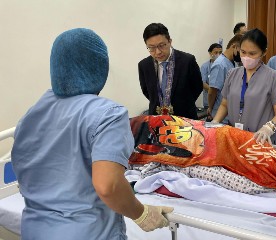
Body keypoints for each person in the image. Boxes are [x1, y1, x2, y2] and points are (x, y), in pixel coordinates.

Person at [11, 28, 173, 240]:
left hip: (35, 230)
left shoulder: (34, 113)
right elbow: (108, 186)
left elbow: (24, 175)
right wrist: (141, 213)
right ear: (99, 66)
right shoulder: (108, 114)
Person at [212, 28, 276, 144]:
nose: (246, 57)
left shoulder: (274, 77)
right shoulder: (233, 74)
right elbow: (224, 104)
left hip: (259, 139)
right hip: (234, 136)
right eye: (243, 52)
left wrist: (268, 127)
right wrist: (215, 121)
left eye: (252, 53)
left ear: (264, 52)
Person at [138, 23, 203, 119]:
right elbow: (147, 92)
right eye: (151, 48)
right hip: (157, 121)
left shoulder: (187, 61)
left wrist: (183, 104)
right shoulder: (144, 65)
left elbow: (197, 87)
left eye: (162, 45)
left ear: (170, 41)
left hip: (185, 119)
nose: (158, 52)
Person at [207, 35, 243, 121]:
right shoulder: (220, 64)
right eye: (241, 51)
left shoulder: (233, 63)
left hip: (232, 113)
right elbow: (212, 91)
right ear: (234, 46)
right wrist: (211, 108)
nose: (242, 54)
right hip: (220, 114)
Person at [200, 43, 222, 111]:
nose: (218, 54)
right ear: (210, 53)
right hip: (208, 102)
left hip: (221, 102)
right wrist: (213, 92)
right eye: (216, 52)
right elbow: (202, 83)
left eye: (220, 52)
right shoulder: (205, 66)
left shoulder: (223, 65)